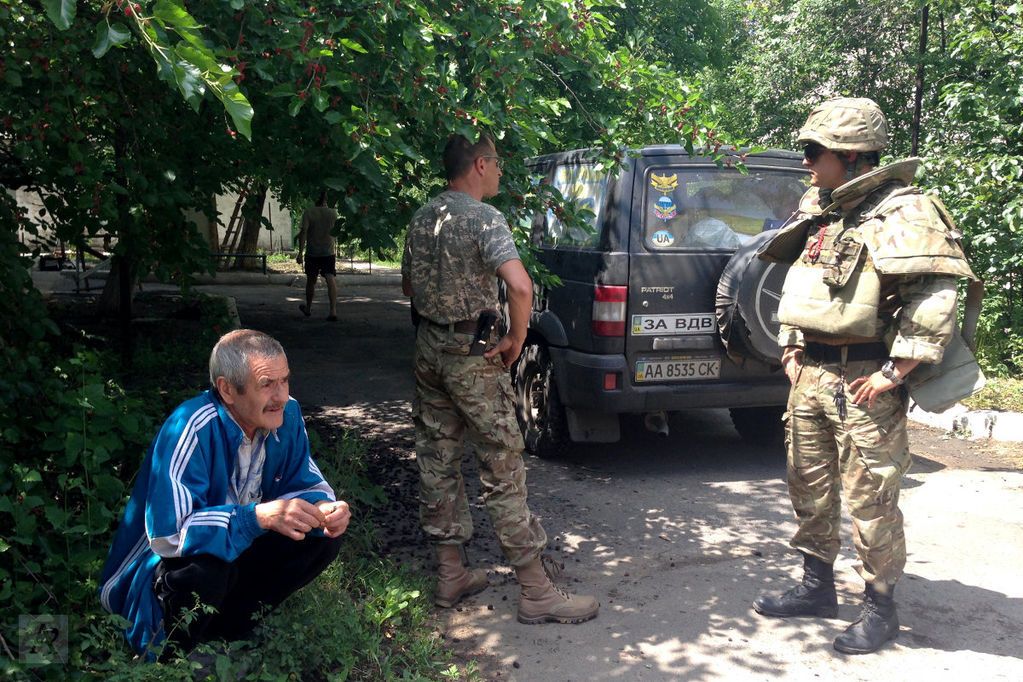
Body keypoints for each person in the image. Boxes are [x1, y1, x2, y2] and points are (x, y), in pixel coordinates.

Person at [754, 97, 977, 654]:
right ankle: (815, 586)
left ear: (850, 156)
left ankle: (880, 607)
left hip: (863, 380)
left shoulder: (905, 212)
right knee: (808, 484)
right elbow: (800, 286)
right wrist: (789, 347)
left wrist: (895, 371)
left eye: (813, 151)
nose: (806, 161)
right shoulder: (824, 209)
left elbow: (935, 295)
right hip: (811, 375)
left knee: (871, 496)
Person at [401, 133, 598, 624]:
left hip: (429, 349)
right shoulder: (484, 218)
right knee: (502, 463)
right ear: (480, 165)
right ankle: (535, 590)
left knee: (438, 457)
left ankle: (451, 573)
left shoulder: (425, 216)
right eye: (498, 165)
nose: (502, 173)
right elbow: (519, 283)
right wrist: (515, 337)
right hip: (473, 353)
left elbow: (409, 285)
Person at [99, 330, 351, 657]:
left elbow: (302, 479)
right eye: (266, 385)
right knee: (206, 569)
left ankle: (227, 635)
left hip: (235, 553)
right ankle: (169, 654)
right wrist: (255, 518)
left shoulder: (285, 415)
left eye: (285, 381)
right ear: (227, 390)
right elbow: (168, 535)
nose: (281, 396)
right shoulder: (190, 426)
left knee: (321, 537)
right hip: (156, 573)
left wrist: (325, 509)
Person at [296, 191, 339, 321]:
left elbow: (303, 232)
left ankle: (308, 308)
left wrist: (300, 252)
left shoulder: (309, 212)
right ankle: (333, 311)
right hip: (328, 252)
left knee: (311, 280)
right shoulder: (333, 213)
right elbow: (336, 232)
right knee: (330, 278)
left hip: (312, 252)